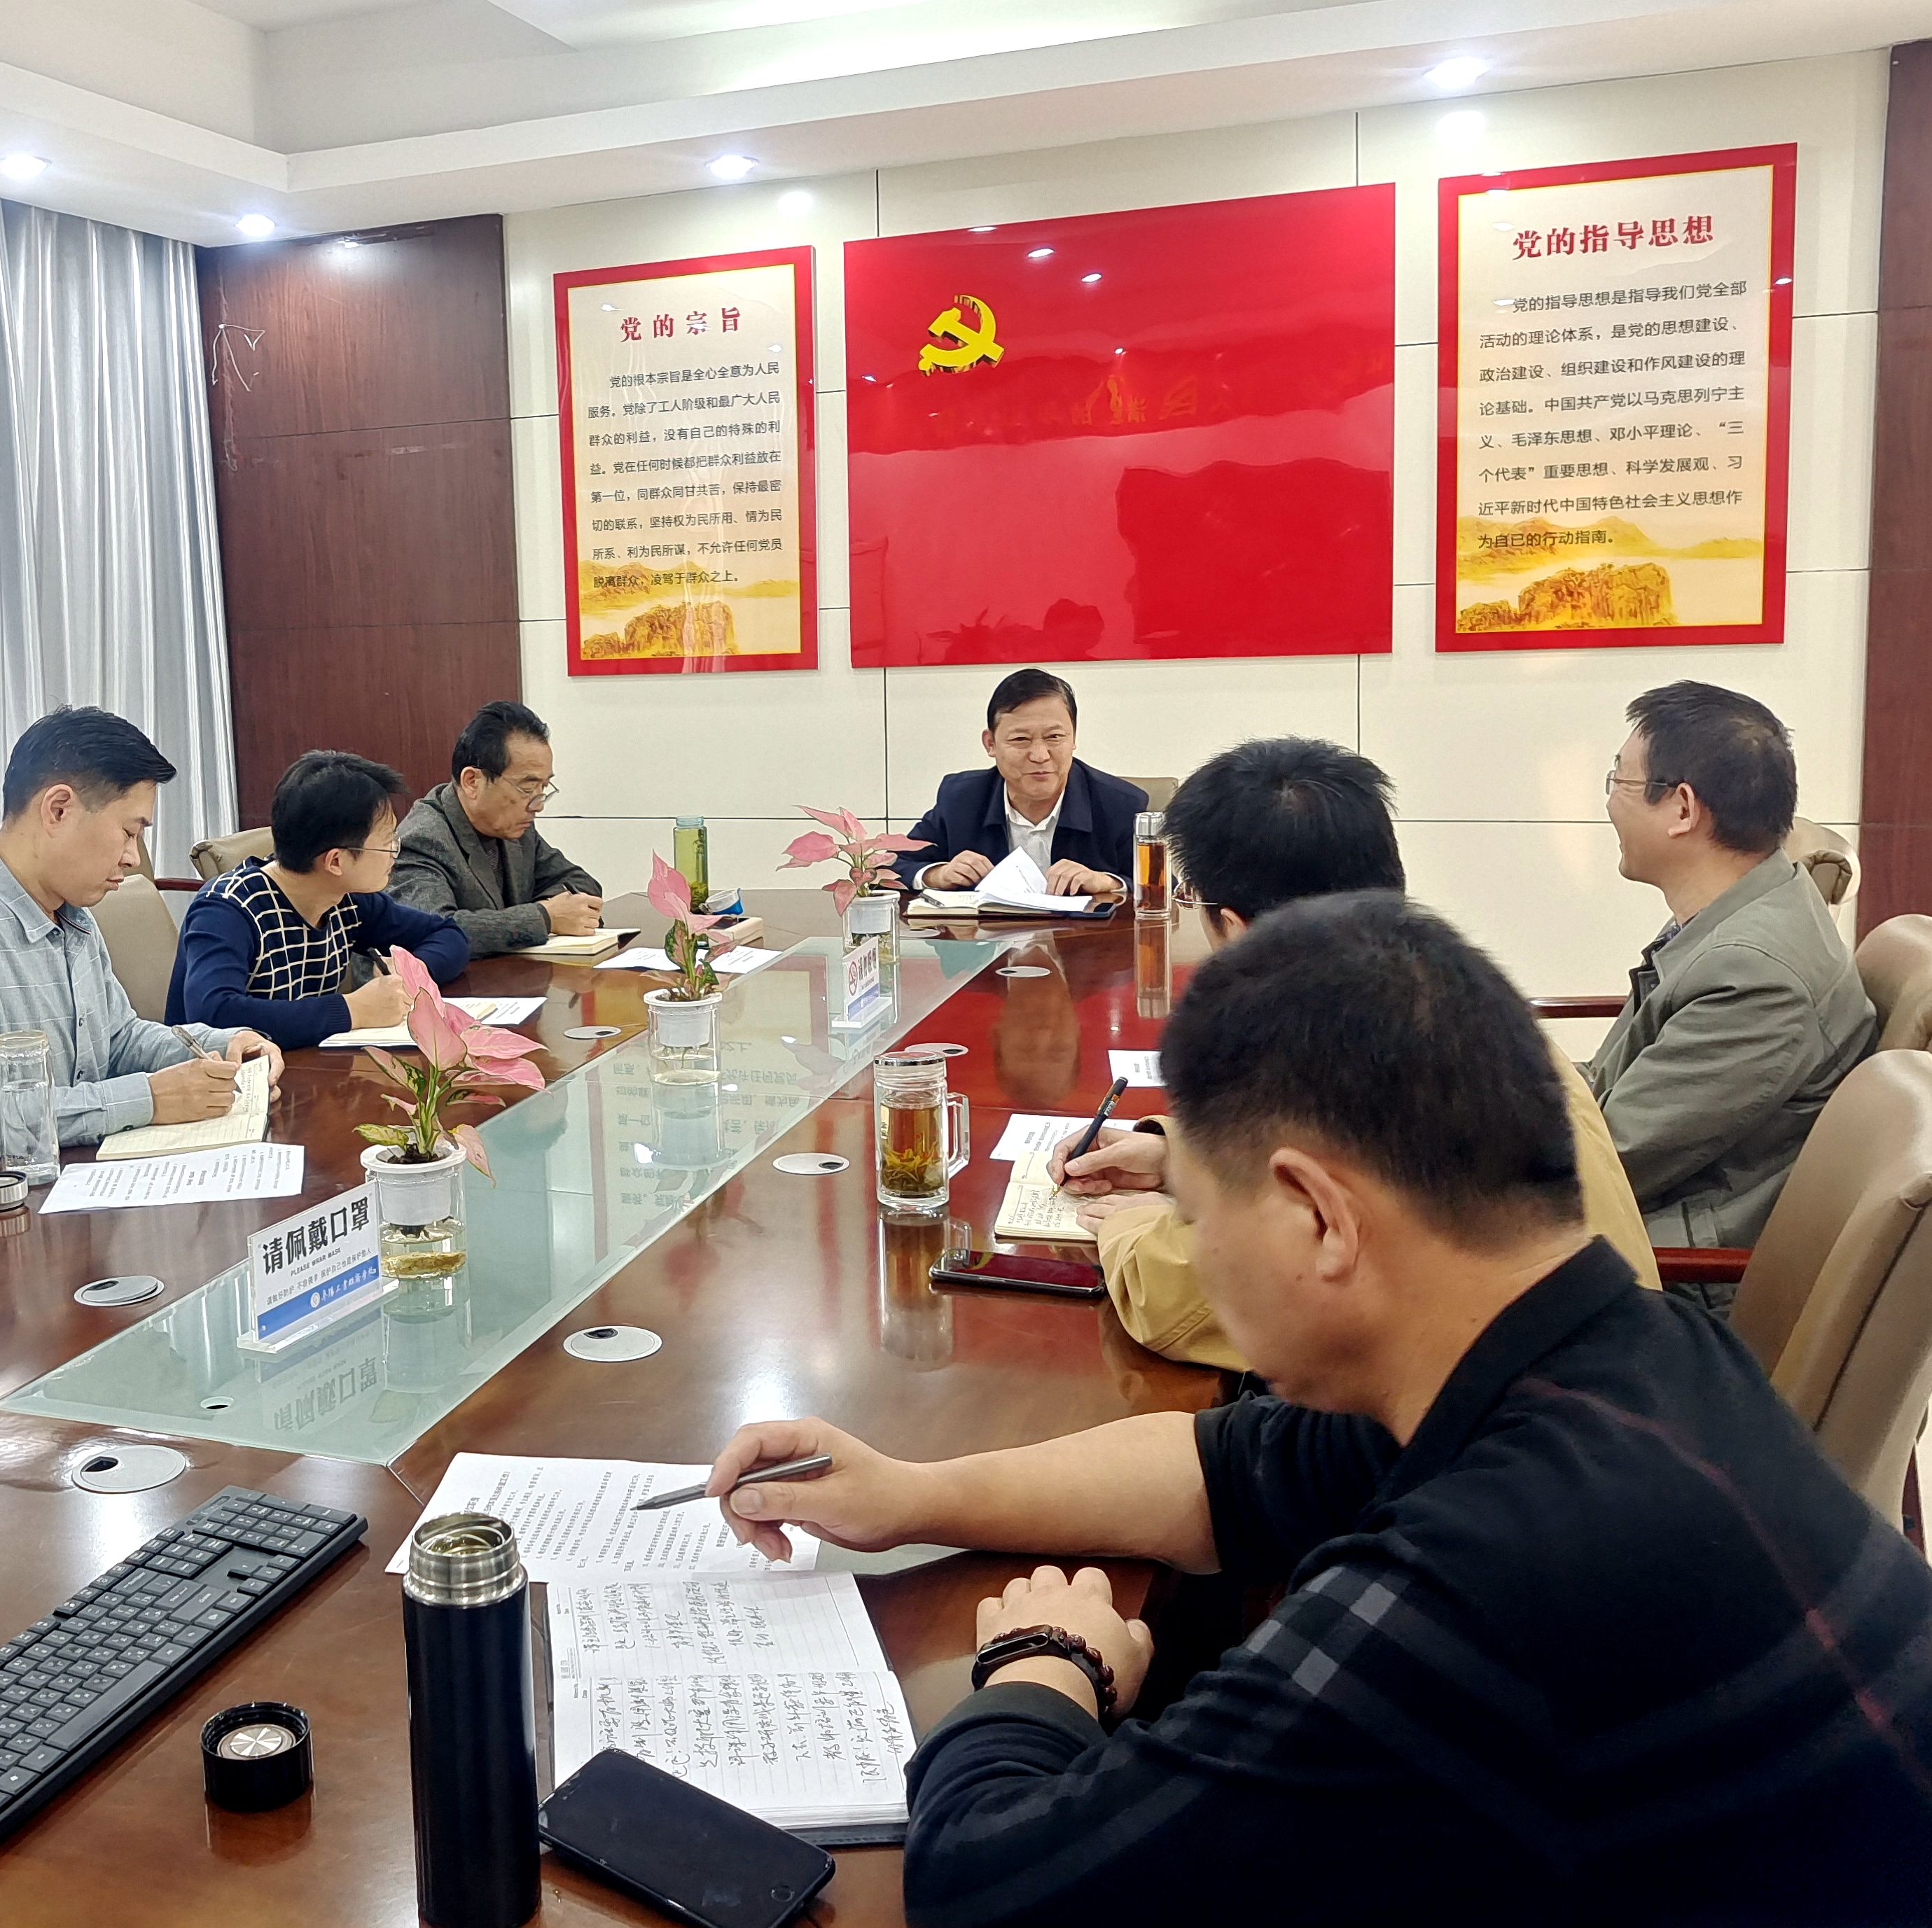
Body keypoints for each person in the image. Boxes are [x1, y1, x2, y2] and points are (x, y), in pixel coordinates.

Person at [704, 895, 1932, 1924]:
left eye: (1195, 1210)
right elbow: (1228, 1469)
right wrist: (912, 1492)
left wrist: (1042, 1665)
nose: (1190, 1247)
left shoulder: (1490, 1583)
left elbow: (991, 1885)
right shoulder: (1623, 1348)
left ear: (1318, 1216)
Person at [1053, 737, 1658, 1369]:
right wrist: (1174, 1156)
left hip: (1522, 1412)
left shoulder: (1335, 1054)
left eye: (1190, 899)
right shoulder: (1441, 991)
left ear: (1236, 928)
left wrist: (1126, 1229)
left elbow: (1184, 1300)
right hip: (1619, 1375)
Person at [0, 707, 282, 1188]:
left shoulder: (70, 912)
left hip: (72, 1186)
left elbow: (118, 1040)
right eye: (129, 832)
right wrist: (149, 1098)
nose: (133, 858)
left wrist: (224, 1046)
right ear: (58, 809)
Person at [1588, 683, 1873, 1275]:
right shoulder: (1744, 905)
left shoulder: (1753, 974)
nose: (1611, 801)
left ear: (1683, 809)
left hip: (1669, 1273)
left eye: (1620, 779)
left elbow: (1609, 1164)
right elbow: (1608, 1091)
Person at [169, 751, 468, 1049]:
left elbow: (448, 934)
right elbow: (214, 1015)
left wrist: (410, 971)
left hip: (303, 1063)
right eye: (387, 842)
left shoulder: (347, 899)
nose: (395, 852)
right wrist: (353, 1010)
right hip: (221, 1074)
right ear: (336, 861)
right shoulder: (227, 909)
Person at [388, 700, 606, 956]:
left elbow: (580, 882)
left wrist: (557, 911)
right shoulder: (422, 840)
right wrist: (544, 917)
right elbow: (433, 932)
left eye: (544, 788)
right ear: (472, 781)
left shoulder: (514, 827)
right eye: (527, 788)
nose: (538, 805)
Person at [903, 669, 1142, 899]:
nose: (1040, 756)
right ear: (991, 744)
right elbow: (895, 863)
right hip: (988, 929)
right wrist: (937, 874)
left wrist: (1108, 883)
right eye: (1021, 739)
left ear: (1073, 738)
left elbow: (1157, 884)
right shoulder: (962, 798)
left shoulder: (1119, 805)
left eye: (1054, 737)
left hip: (1081, 930)